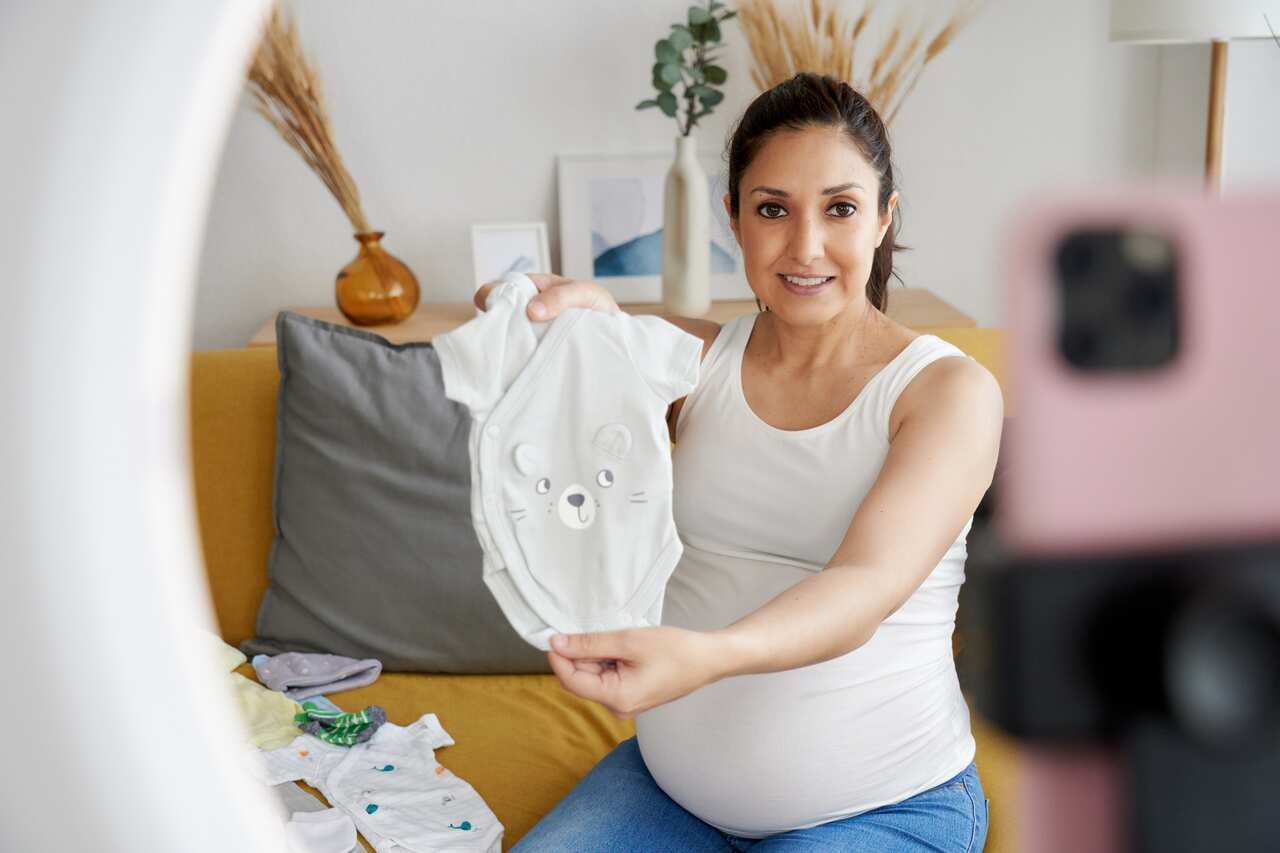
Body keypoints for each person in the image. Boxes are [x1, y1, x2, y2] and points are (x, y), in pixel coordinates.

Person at [487, 72, 1002, 852]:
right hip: (671, 794)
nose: (804, 247)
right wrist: (552, 313)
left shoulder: (946, 392)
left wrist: (705, 657)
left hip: (880, 806)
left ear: (882, 219)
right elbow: (591, 341)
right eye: (772, 209)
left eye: (840, 208)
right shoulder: (693, 359)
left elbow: (864, 586)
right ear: (733, 219)